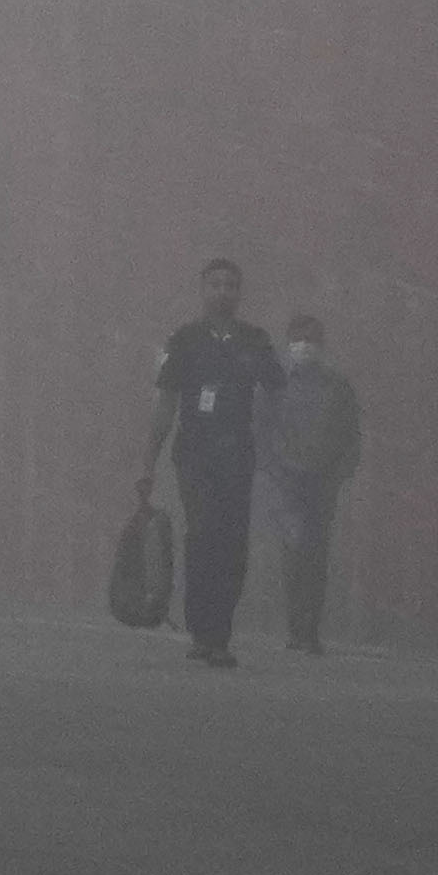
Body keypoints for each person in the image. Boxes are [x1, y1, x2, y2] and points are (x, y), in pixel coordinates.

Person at [149, 256, 277, 666]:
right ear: (202, 290)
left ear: (240, 293)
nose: (223, 292)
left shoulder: (255, 341)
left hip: (238, 457)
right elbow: (167, 400)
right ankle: (202, 630)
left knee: (232, 545)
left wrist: (274, 446)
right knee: (203, 535)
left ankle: (220, 634)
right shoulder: (184, 340)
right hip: (195, 456)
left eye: (231, 285)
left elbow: (277, 393)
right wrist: (148, 458)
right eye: (216, 284)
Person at [264, 311, 365, 657]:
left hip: (323, 481)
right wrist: (273, 468)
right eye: (298, 339)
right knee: (293, 553)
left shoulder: (337, 387)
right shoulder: (276, 384)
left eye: (311, 340)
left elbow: (351, 435)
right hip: (286, 481)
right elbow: (262, 429)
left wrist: (340, 472)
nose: (304, 346)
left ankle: (310, 630)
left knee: (316, 555)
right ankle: (296, 628)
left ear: (321, 346)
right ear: (288, 342)